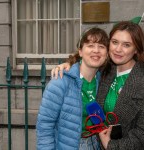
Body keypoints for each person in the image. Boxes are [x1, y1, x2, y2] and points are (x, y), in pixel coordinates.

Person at [51, 21, 144, 150]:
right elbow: (89, 59)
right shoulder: (105, 70)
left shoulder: (140, 80)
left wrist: (111, 146)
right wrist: (69, 66)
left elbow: (141, 133)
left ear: (136, 49)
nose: (118, 49)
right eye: (115, 42)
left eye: (126, 45)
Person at [36, 27, 109, 150]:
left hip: (96, 144)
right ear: (80, 51)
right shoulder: (60, 81)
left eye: (101, 46)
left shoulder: (104, 80)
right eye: (90, 45)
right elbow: (45, 125)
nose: (96, 50)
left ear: (107, 54)